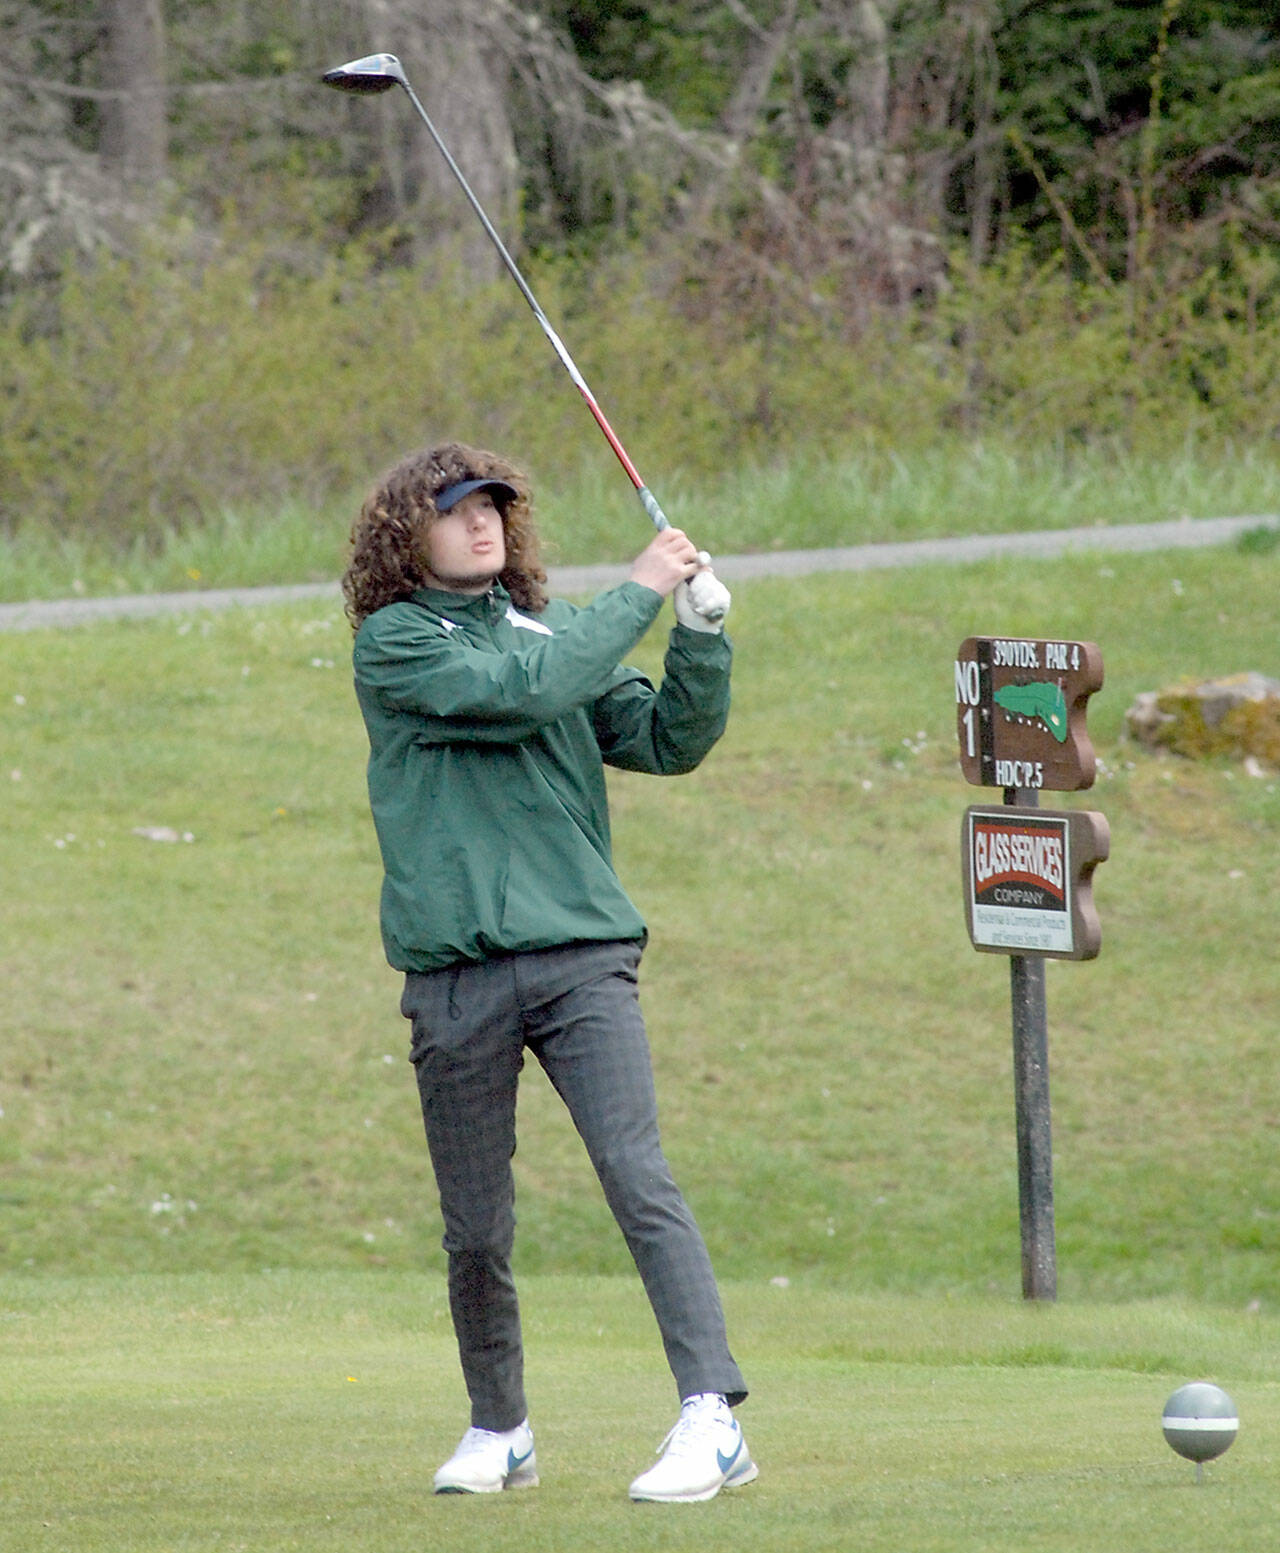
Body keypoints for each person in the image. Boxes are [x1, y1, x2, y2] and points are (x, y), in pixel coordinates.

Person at [341, 442, 754, 1503]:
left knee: (636, 1174)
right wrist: (640, 589)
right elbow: (521, 693)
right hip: (456, 974)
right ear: (406, 534)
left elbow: (665, 740)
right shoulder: (395, 644)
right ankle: (500, 1427)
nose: (481, 522)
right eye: (454, 510)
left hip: (580, 954)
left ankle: (712, 1414)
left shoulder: (552, 631)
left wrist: (699, 638)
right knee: (475, 1226)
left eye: (492, 506)